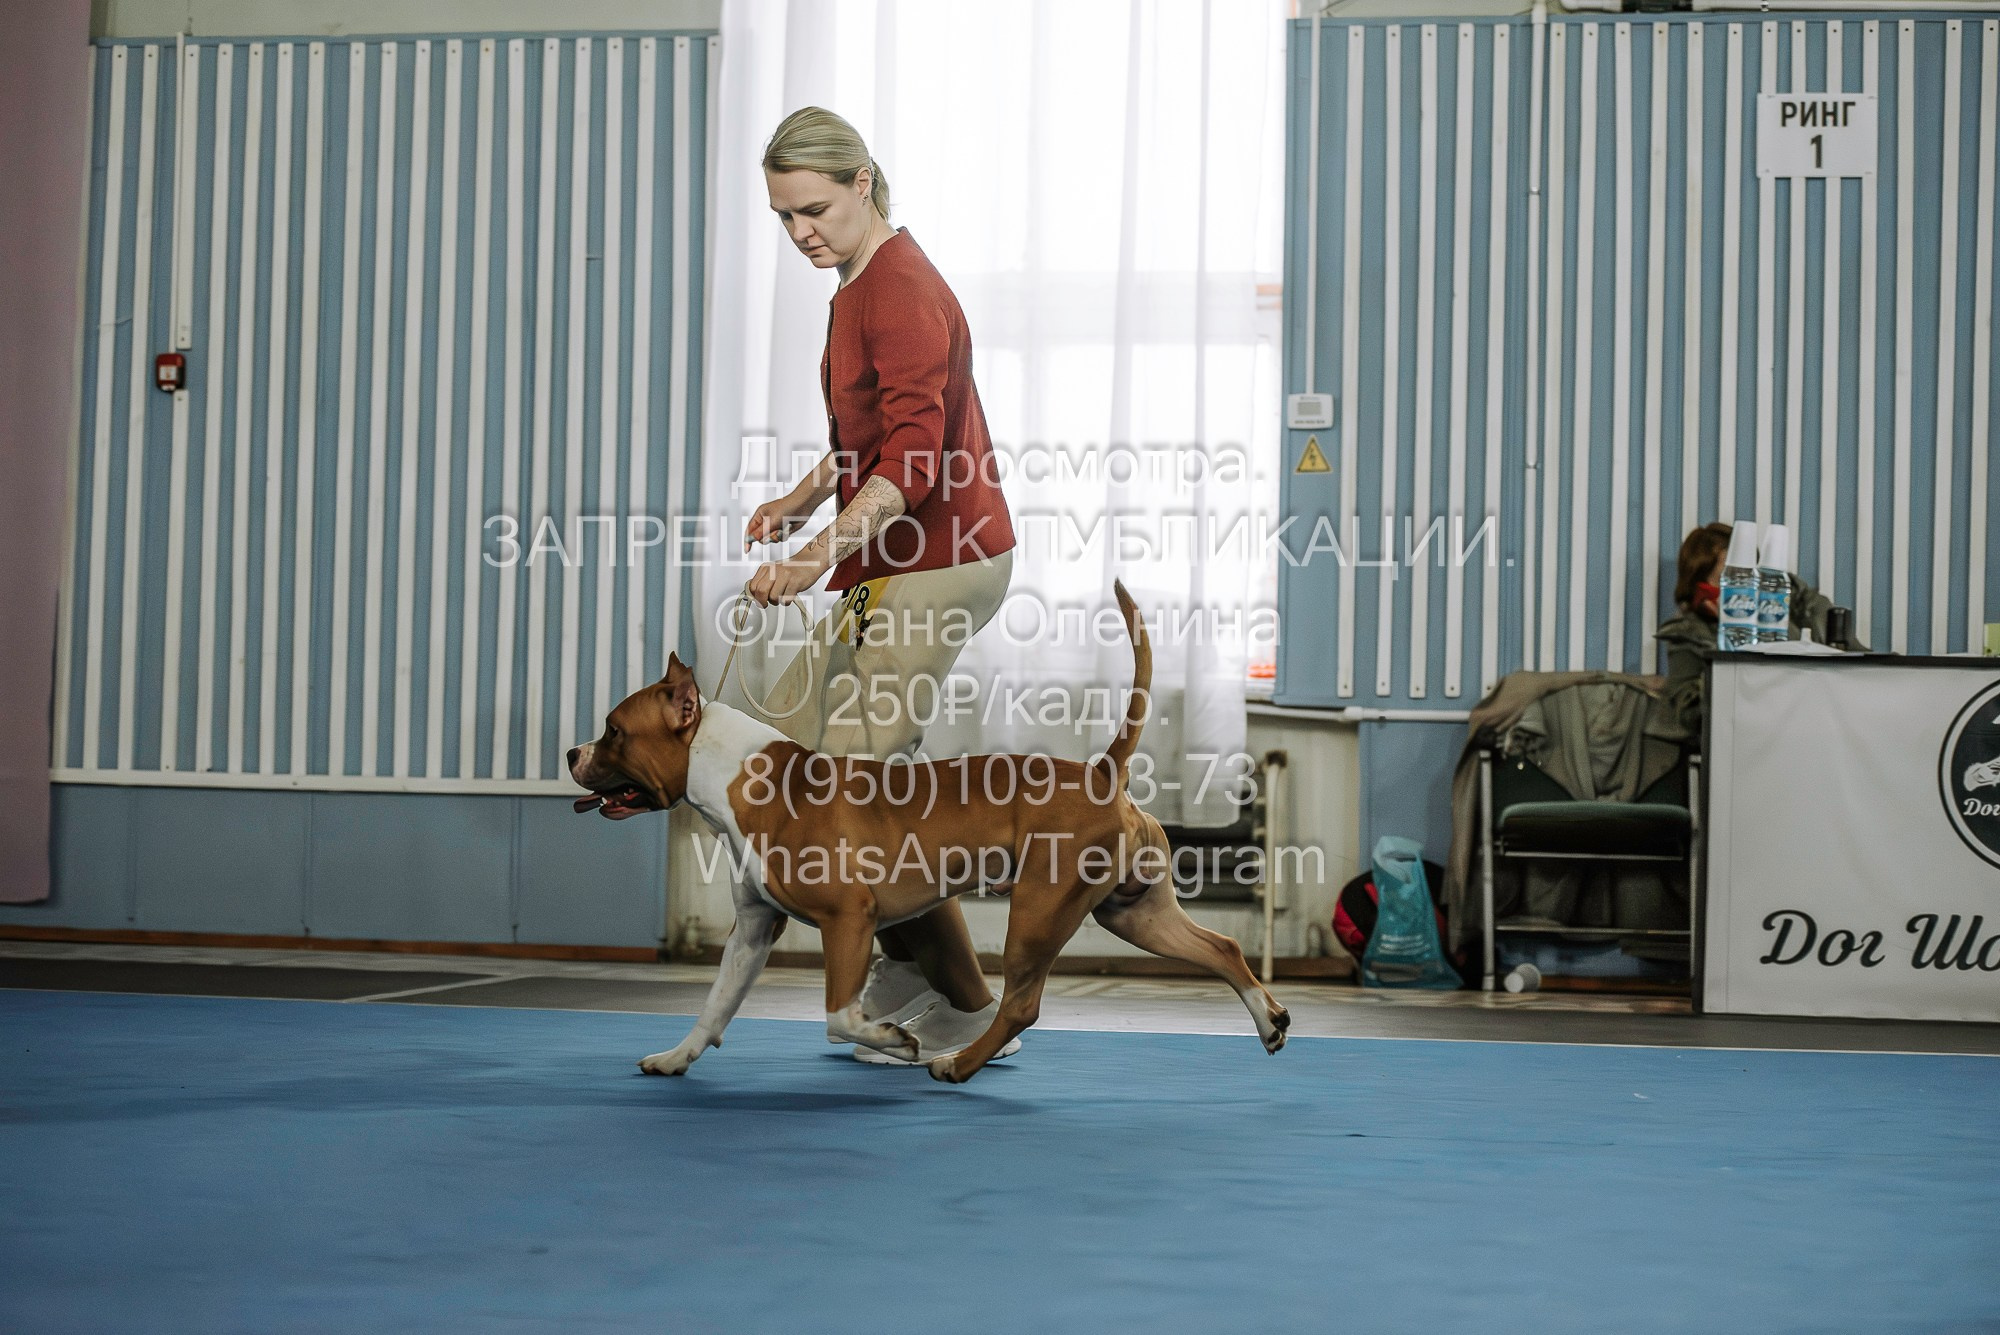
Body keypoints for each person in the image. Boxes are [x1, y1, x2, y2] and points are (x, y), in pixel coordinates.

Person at [736, 106, 1019, 1066]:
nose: (799, 231)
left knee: (848, 794)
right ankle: (910, 976)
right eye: (783, 217)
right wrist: (803, 495)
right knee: (802, 754)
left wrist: (812, 555)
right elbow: (861, 444)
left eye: (813, 208)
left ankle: (964, 1006)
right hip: (888, 562)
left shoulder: (897, 288)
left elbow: (914, 463)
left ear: (863, 183)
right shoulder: (855, 281)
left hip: (942, 560)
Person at [1654, 521, 1857, 735]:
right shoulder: (1687, 634)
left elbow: (1852, 661)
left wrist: (1771, 622)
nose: (1743, 588)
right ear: (1702, 589)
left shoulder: (1795, 602)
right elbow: (1689, 714)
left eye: (1747, 577)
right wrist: (1732, 644)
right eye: (1728, 580)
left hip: (1812, 728)